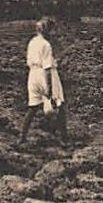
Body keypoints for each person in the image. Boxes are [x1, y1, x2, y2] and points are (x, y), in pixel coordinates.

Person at [18, 17, 70, 147]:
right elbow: (47, 68)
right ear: (47, 31)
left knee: (33, 107)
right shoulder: (46, 45)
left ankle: (22, 137)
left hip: (33, 74)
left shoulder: (32, 42)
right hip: (44, 74)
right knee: (59, 105)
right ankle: (64, 139)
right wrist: (49, 88)